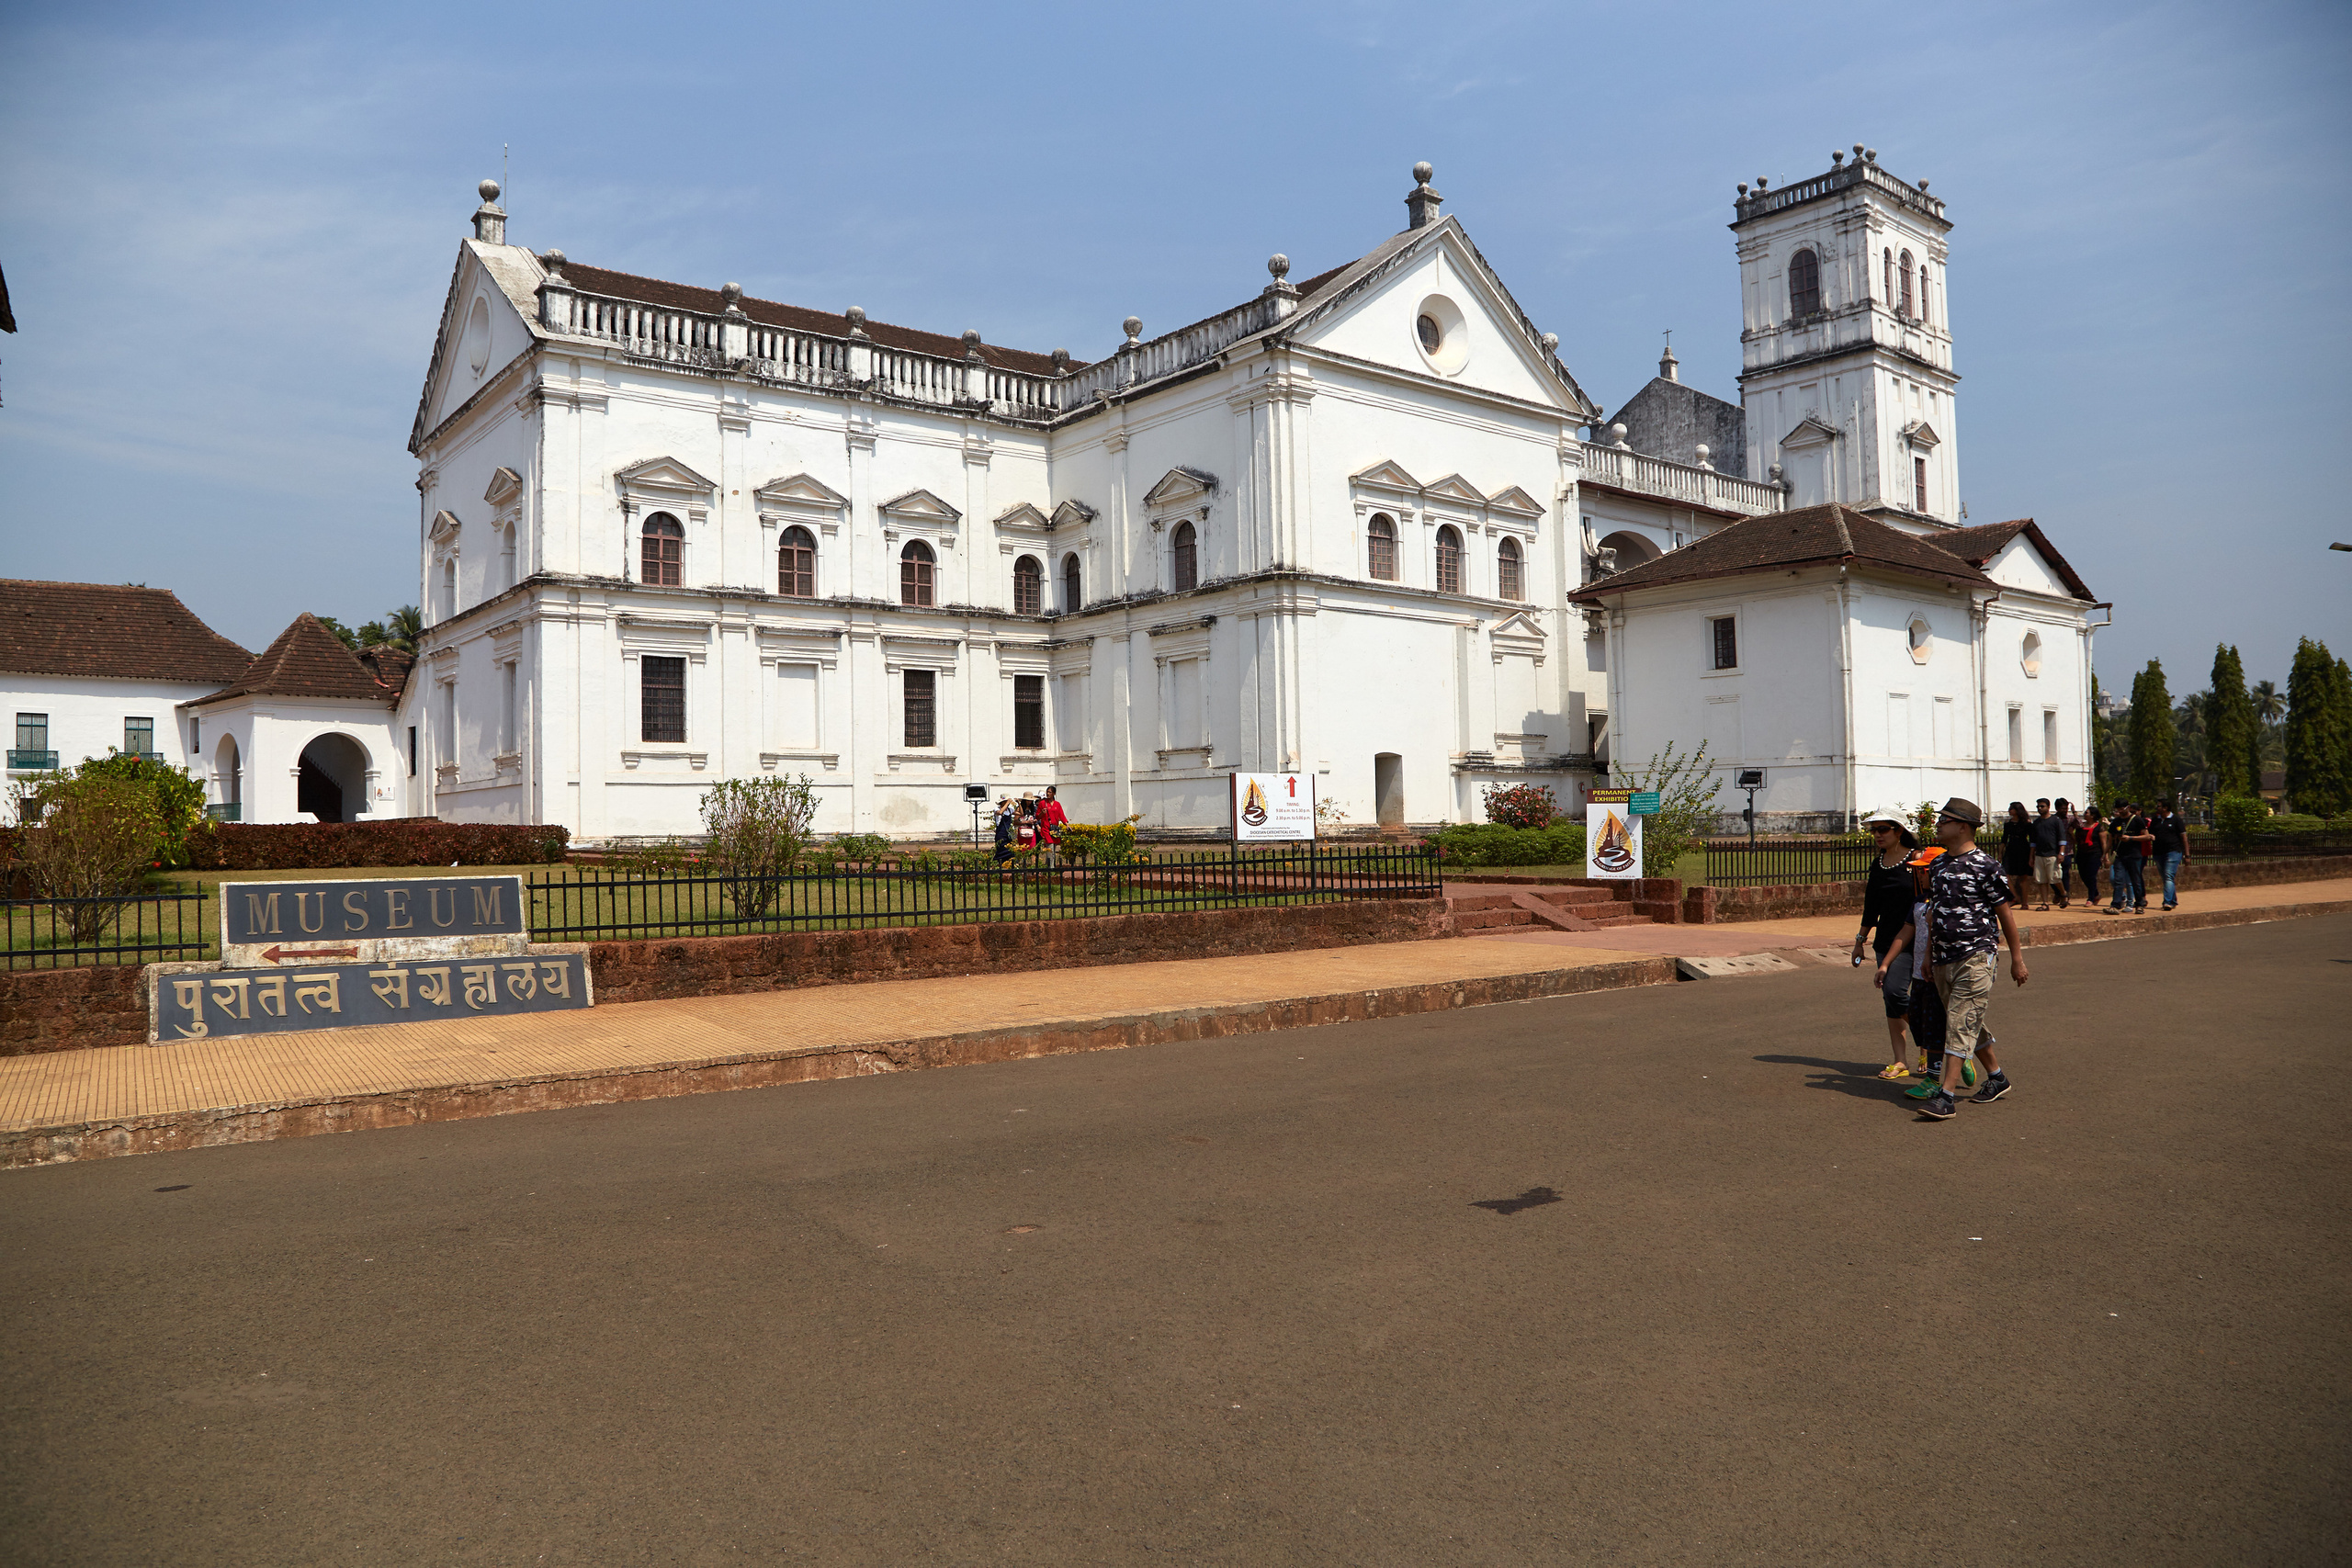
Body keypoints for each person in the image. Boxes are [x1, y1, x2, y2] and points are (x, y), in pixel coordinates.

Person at [1908, 797, 2025, 1121]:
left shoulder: (1986, 866)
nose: (1938, 825)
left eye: (1944, 820)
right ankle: (1997, 1078)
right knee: (1967, 1021)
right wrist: (1929, 955)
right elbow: (1935, 913)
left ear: (1962, 826)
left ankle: (1945, 1096)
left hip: (1976, 955)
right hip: (1943, 957)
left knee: (1960, 1022)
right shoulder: (1939, 864)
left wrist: (2017, 958)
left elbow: (2005, 914)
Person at [1850, 809, 1921, 1078]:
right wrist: (1860, 940)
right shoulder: (1878, 863)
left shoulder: (1916, 859)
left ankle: (1930, 1045)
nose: (1877, 835)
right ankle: (1901, 1060)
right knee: (1892, 997)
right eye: (1874, 830)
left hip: (1919, 940)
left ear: (1899, 830)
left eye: (1883, 829)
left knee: (1909, 996)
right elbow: (1872, 905)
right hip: (1886, 940)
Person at [2104, 801, 2150, 915]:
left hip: (2134, 855)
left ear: (2127, 808)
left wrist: (2131, 838)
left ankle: (2139, 904)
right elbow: (2110, 840)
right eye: (2118, 809)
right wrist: (2104, 854)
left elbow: (2146, 836)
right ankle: (2115, 905)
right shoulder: (2116, 822)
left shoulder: (2137, 820)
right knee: (2118, 879)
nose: (2120, 811)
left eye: (2122, 809)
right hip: (2120, 855)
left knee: (2135, 880)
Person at [2148, 797, 2191, 911]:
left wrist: (2187, 855)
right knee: (2166, 878)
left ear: (2165, 808)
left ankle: (2167, 902)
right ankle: (2172, 900)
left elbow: (2184, 837)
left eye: (2159, 806)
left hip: (2173, 851)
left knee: (2168, 876)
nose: (2157, 808)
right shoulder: (2155, 820)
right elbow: (2150, 834)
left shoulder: (2176, 820)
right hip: (2158, 852)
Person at [2029, 797, 2065, 910]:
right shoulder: (2036, 823)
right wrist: (2031, 857)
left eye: (2042, 806)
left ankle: (2063, 893)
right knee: (2041, 880)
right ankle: (2045, 903)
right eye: (2038, 806)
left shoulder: (2056, 821)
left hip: (2052, 854)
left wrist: (2061, 853)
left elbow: (2062, 839)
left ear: (2048, 807)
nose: (2040, 808)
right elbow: (2033, 842)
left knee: (2055, 878)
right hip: (2039, 855)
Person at [1999, 801, 2034, 908]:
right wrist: (2000, 854)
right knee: (2005, 874)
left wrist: (2031, 856)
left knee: (2023, 876)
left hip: (2023, 849)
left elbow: (2032, 840)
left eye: (2012, 808)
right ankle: (2015, 897)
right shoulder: (2008, 824)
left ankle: (2025, 902)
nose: (2009, 810)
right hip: (2011, 849)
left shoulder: (2026, 824)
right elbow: (2004, 840)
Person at [2075, 805, 2105, 906]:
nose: (2084, 814)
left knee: (2091, 875)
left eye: (2087, 813)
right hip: (2082, 853)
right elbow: (2077, 840)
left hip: (2094, 854)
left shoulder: (2099, 827)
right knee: (2083, 875)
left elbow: (2103, 843)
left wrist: (2105, 856)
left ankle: (2091, 898)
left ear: (2093, 815)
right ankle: (2096, 893)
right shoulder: (2081, 826)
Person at [1035, 784, 1069, 851]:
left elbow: (1061, 815)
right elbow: (1037, 816)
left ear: (1054, 793)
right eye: (1047, 792)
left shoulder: (1057, 804)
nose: (1048, 793)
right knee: (1050, 848)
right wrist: (1042, 813)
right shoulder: (1042, 803)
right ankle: (1051, 861)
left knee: (1053, 849)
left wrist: (1067, 824)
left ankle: (1051, 861)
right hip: (1046, 829)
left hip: (1054, 830)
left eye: (1050, 792)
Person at [991, 796, 1017, 866]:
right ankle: (998, 863)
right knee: (1000, 848)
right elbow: (1000, 812)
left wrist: (1019, 804)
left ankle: (1009, 864)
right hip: (1001, 832)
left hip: (1008, 832)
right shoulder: (997, 809)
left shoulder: (1010, 810)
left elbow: (1021, 813)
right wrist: (1007, 802)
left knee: (1010, 849)